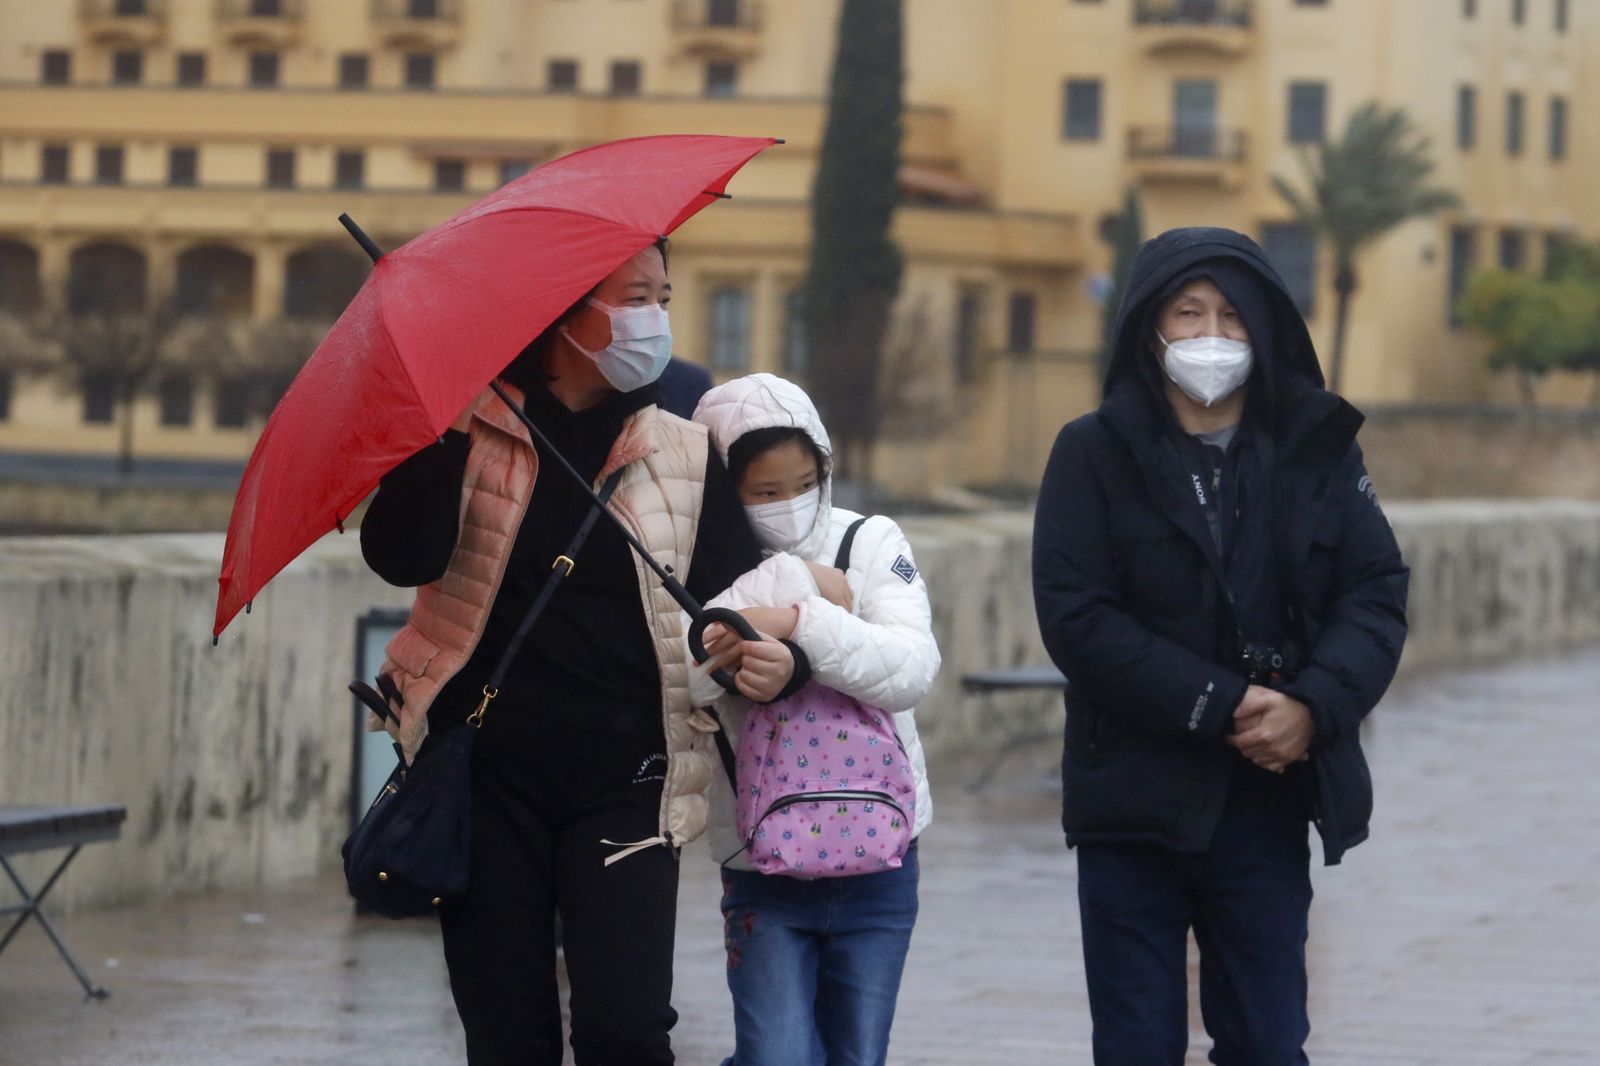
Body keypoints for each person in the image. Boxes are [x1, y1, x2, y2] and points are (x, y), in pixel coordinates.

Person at [359, 243, 809, 1066]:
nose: (656, 318)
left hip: (629, 782)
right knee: (507, 1033)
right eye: (636, 296)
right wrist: (449, 432)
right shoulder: (476, 423)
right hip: (487, 781)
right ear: (566, 310)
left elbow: (740, 601)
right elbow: (401, 557)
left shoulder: (684, 450)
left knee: (627, 1032)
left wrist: (781, 657)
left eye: (663, 296)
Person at [1032, 227, 1409, 1064]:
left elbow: (1375, 593)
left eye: (1233, 317)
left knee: (1270, 1041)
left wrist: (1312, 706)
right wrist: (1225, 703)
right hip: (1130, 800)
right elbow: (1077, 616)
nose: (1212, 335)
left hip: (1265, 801)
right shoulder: (1090, 453)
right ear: (1150, 327)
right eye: (1189, 312)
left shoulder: (1317, 452)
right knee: (1136, 1042)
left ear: (1266, 328)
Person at [688, 373, 940, 1066]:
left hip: (880, 854)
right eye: (765, 492)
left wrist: (799, 625)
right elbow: (686, 678)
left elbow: (911, 668)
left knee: (857, 1055)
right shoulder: (695, 564)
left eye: (803, 483)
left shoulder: (868, 540)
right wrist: (795, 588)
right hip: (762, 865)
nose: (788, 505)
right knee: (776, 1054)